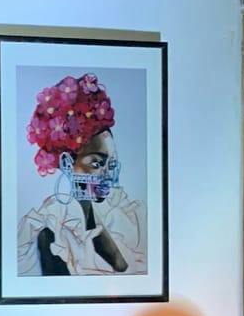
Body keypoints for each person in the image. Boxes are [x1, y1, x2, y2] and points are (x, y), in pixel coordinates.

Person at [15, 72, 147, 277]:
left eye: (110, 164)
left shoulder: (111, 217)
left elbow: (126, 270)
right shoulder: (49, 229)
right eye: (96, 163)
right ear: (67, 164)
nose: (106, 175)